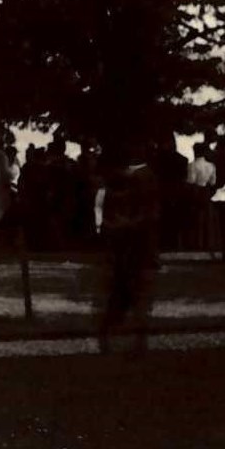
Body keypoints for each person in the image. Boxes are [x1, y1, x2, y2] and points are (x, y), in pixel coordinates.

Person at [97, 149, 163, 352]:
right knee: (133, 298)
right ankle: (130, 339)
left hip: (129, 256)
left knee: (126, 298)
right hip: (132, 256)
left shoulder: (120, 201)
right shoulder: (137, 201)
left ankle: (120, 338)